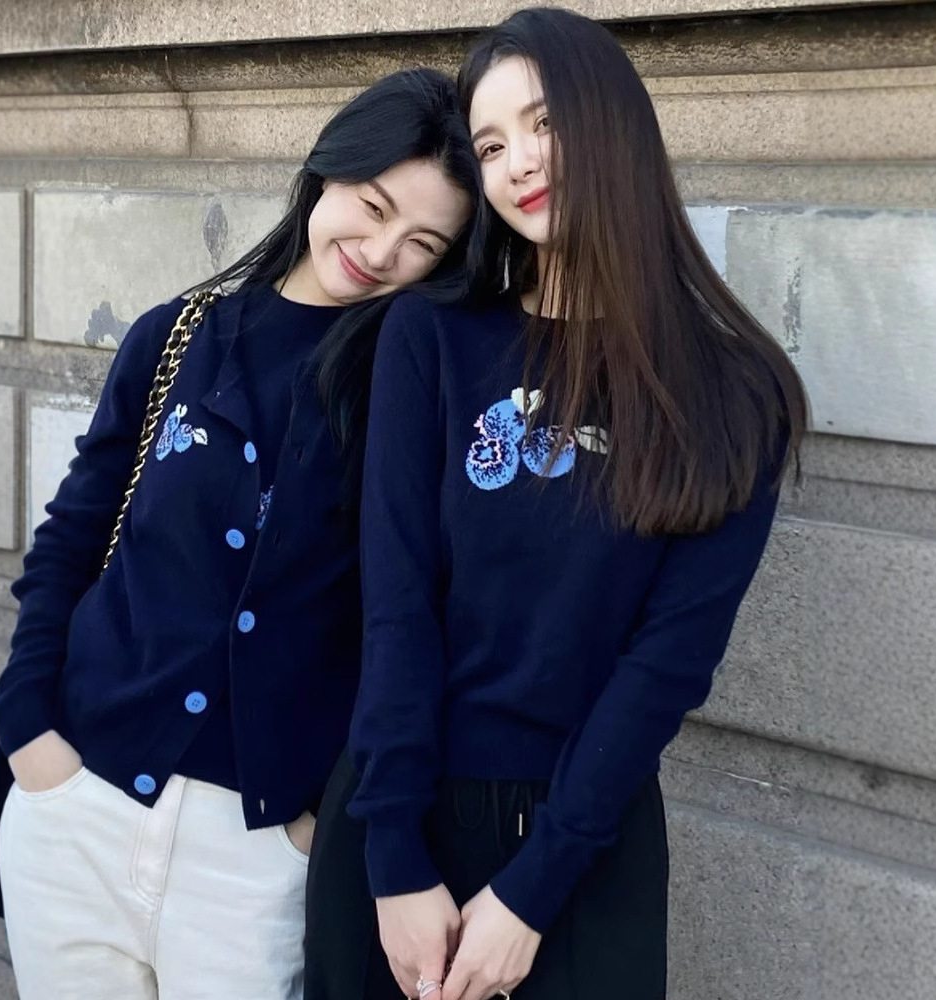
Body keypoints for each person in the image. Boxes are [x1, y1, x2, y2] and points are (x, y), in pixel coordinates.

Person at [0, 67, 480, 1000]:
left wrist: (317, 824)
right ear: (327, 170)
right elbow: (71, 541)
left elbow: (419, 619)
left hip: (259, 853)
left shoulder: (414, 390)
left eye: (423, 242)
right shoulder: (178, 336)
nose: (382, 249)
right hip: (77, 802)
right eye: (373, 205)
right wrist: (28, 728)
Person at [304, 9, 808, 1000]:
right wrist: (393, 853)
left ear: (613, 120)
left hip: (585, 855)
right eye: (491, 146)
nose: (520, 162)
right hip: (401, 827)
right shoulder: (434, 340)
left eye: (543, 123)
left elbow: (666, 667)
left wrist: (532, 892)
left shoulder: (735, 391)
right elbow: (396, 602)